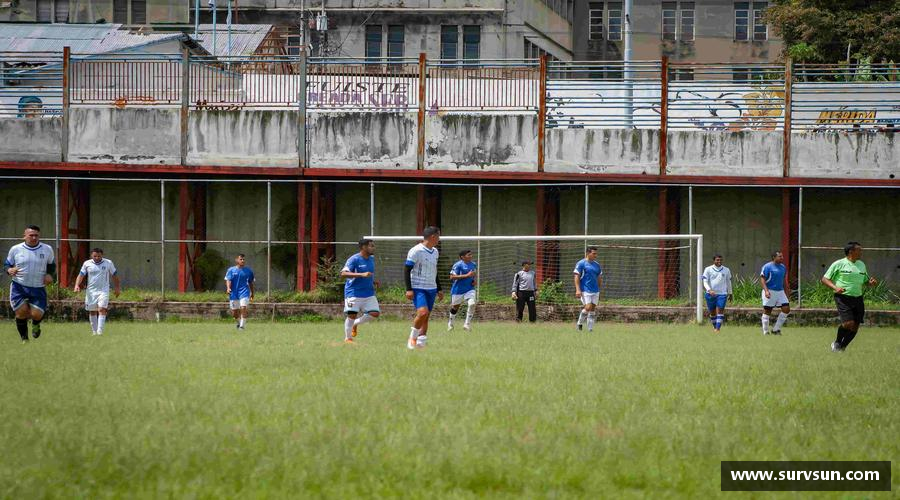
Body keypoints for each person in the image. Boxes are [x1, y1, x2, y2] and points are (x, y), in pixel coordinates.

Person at [822, 241, 878, 352]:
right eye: (859, 250)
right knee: (848, 323)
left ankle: (842, 347)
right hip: (843, 297)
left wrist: (871, 283)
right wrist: (835, 287)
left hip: (858, 298)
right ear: (851, 251)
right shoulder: (839, 263)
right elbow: (824, 279)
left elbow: (866, 281)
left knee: (855, 326)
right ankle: (837, 342)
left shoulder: (861, 264)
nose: (861, 252)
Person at [5, 225, 55, 343]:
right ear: (24, 236)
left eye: (36, 235)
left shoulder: (47, 249)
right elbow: (7, 264)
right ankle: (24, 339)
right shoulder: (15, 249)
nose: (33, 237)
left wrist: (49, 274)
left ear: (39, 236)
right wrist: (9, 270)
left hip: (38, 287)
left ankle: (36, 324)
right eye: (31, 235)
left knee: (36, 314)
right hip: (19, 286)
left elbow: (52, 265)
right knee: (21, 312)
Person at [404, 226, 443, 350]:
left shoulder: (435, 252)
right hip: (418, 287)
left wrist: (439, 289)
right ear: (433, 236)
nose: (439, 239)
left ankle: (421, 342)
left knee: (426, 316)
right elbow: (406, 269)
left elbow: (434, 271)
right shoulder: (416, 250)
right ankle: (412, 338)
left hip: (431, 288)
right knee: (422, 313)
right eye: (438, 236)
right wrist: (408, 289)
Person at [340, 239, 380, 343]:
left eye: (373, 246)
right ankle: (348, 338)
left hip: (368, 292)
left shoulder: (371, 259)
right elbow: (343, 274)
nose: (373, 248)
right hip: (353, 292)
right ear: (364, 247)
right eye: (371, 246)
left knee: (375, 313)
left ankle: (355, 324)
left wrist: (373, 281)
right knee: (352, 315)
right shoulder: (354, 259)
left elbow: (367, 274)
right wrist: (361, 275)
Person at [74, 248, 121, 336]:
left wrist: (117, 288)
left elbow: (114, 275)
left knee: (102, 309)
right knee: (92, 311)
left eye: (99, 256)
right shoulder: (87, 263)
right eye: (95, 256)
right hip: (91, 291)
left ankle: (100, 331)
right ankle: (94, 332)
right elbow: (81, 275)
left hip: (104, 290)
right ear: (91, 255)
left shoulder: (108, 263)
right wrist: (77, 285)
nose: (97, 257)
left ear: (102, 255)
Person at [759, 250, 790, 335]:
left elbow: (784, 280)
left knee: (786, 309)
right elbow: (762, 279)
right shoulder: (767, 266)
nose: (782, 258)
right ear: (774, 257)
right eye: (780, 256)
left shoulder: (783, 267)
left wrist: (787, 290)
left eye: (782, 256)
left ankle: (776, 329)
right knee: (768, 311)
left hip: (780, 291)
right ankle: (765, 331)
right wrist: (766, 291)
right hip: (770, 291)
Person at [573, 246, 603, 332]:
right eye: (594, 253)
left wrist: (599, 289)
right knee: (588, 307)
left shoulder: (597, 265)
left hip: (595, 290)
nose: (595, 255)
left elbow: (599, 277)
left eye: (596, 254)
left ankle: (590, 329)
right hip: (585, 289)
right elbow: (576, 276)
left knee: (592, 309)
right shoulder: (581, 263)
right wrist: (578, 289)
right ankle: (579, 323)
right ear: (588, 253)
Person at [702, 254, 733, 334]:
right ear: (714, 261)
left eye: (721, 260)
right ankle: (715, 327)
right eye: (717, 260)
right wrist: (709, 290)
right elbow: (704, 282)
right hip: (710, 294)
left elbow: (728, 282)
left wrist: (730, 293)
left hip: (722, 294)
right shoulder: (708, 269)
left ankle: (718, 329)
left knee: (720, 310)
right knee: (712, 312)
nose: (719, 261)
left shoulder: (726, 270)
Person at [448, 249, 477, 331]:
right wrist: (467, 275)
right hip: (458, 290)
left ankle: (467, 325)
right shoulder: (458, 265)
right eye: (469, 255)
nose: (471, 256)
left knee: (472, 304)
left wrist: (474, 281)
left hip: (469, 289)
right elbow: (452, 277)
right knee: (455, 308)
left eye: (471, 254)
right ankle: (450, 323)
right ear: (462, 257)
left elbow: (473, 274)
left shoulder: (473, 264)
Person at [224, 254, 255, 330]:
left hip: (244, 292)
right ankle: (239, 323)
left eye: (243, 259)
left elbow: (250, 282)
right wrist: (228, 288)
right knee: (234, 313)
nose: (242, 261)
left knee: (243, 307)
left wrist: (252, 293)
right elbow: (228, 280)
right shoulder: (231, 270)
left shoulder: (249, 271)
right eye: (241, 259)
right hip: (234, 293)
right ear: (237, 260)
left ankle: (242, 326)